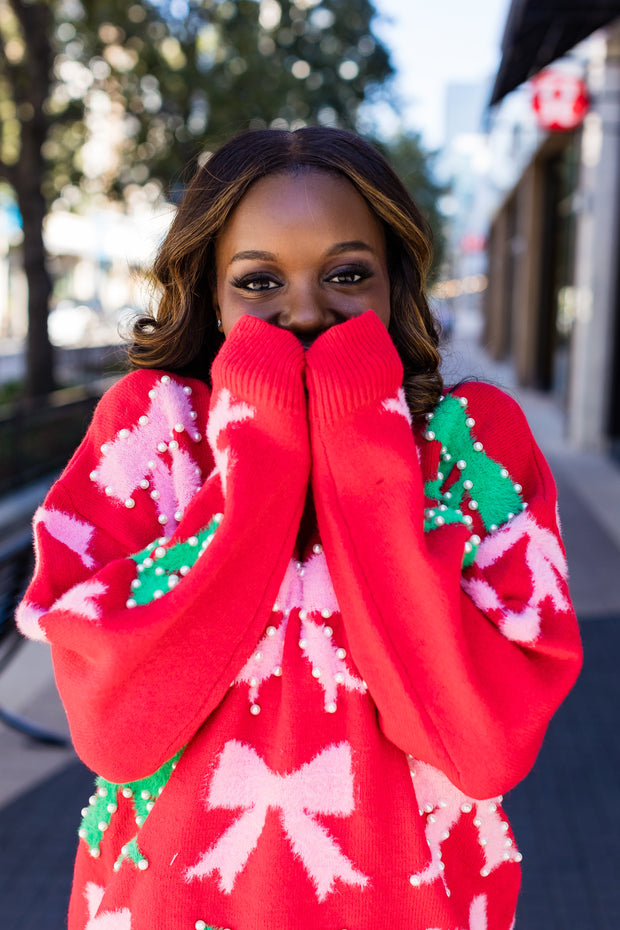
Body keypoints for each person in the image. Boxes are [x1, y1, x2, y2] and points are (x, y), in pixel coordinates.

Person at [17, 127, 582, 930]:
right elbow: (116, 728)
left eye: (347, 273)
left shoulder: (472, 444)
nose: (307, 310)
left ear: (396, 282)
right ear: (211, 293)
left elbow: (484, 746)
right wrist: (264, 451)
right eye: (259, 281)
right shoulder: (152, 432)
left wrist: (361, 444)